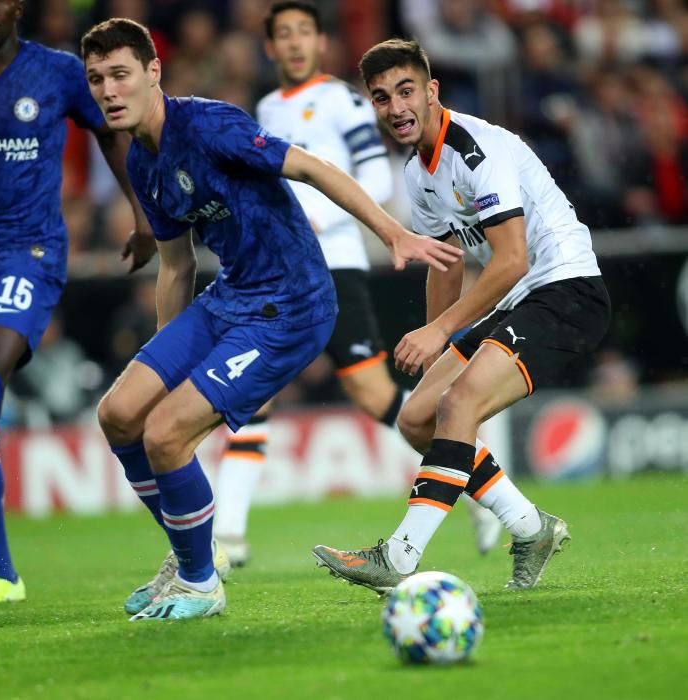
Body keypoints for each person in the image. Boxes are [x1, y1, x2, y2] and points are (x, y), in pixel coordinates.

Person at [81, 19, 460, 622]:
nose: (108, 90)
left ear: (154, 73)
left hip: (292, 304)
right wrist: (163, 362)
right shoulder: (142, 164)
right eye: (96, 79)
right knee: (122, 413)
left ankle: (202, 582)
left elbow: (311, 168)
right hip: (231, 295)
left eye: (121, 74)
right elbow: (177, 267)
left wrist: (391, 232)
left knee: (165, 435)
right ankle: (188, 559)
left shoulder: (207, 124)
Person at [313, 39, 611, 593]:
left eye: (406, 91)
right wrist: (436, 348)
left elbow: (513, 258)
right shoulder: (416, 172)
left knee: (460, 405)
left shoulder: (477, 149)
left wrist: (437, 331)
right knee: (417, 417)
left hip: (567, 290)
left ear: (431, 91)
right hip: (518, 297)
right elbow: (446, 266)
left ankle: (399, 557)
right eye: (381, 98)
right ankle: (529, 526)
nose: (396, 107)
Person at [214, 0, 502, 568]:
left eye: (305, 33)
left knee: (377, 397)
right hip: (278, 271)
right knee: (253, 392)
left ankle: (476, 482)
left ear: (321, 44)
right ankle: (228, 536)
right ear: (269, 48)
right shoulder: (267, 106)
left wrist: (317, 218)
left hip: (333, 265)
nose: (295, 43)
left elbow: (373, 174)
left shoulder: (344, 103)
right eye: (284, 35)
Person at [0, 0, 155, 604]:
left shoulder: (57, 72)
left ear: (17, 7)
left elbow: (112, 137)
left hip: (25, 251)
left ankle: (0, 575)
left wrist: (141, 216)